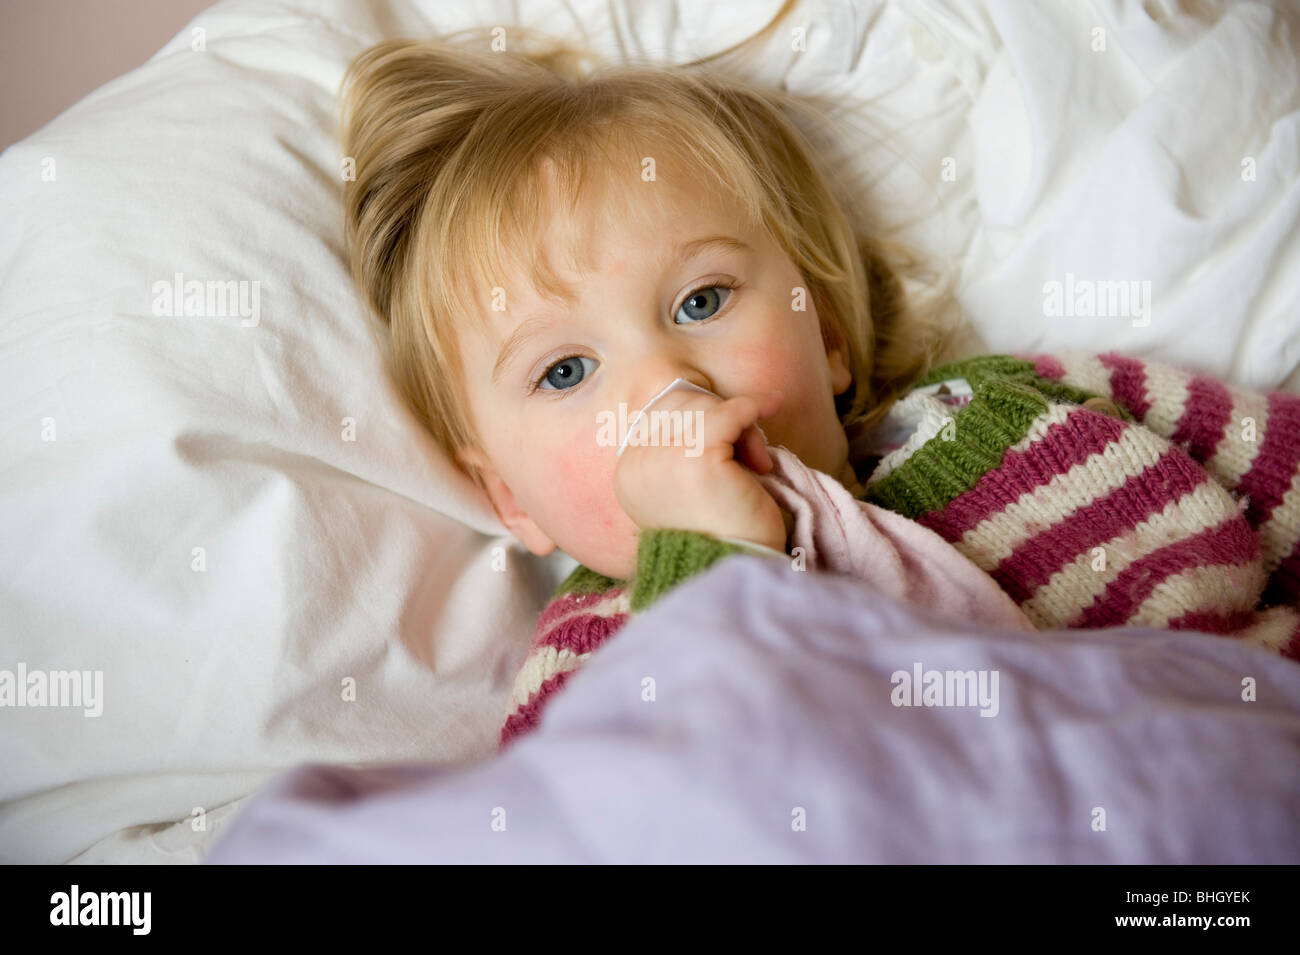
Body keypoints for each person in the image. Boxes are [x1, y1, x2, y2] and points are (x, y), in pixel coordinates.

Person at [336, 17, 1300, 751]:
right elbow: (676, 808)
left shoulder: (1016, 411)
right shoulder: (599, 658)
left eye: (703, 300)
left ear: (827, 336)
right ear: (511, 496)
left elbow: (1279, 476)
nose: (663, 381)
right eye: (567, 370)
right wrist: (705, 552)